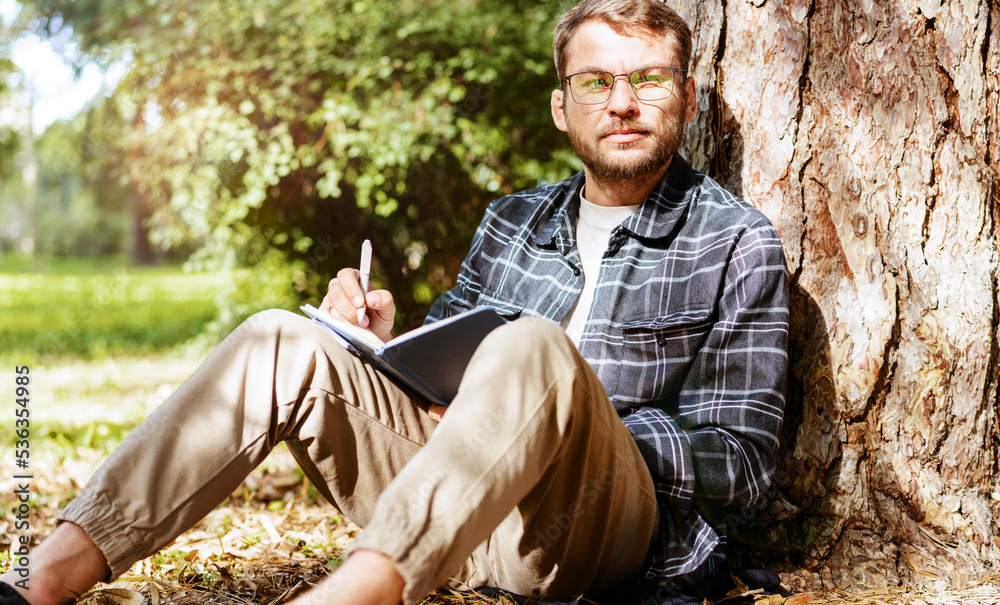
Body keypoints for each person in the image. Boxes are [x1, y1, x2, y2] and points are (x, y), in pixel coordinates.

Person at [0, 1, 789, 604]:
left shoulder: (735, 241)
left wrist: (569, 409)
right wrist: (384, 340)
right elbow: (443, 373)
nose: (622, 102)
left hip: (589, 527)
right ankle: (45, 575)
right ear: (563, 107)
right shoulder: (511, 220)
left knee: (532, 346)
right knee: (281, 335)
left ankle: (363, 588)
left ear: (683, 96)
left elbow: (746, 463)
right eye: (596, 82)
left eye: (647, 79)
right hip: (454, 506)